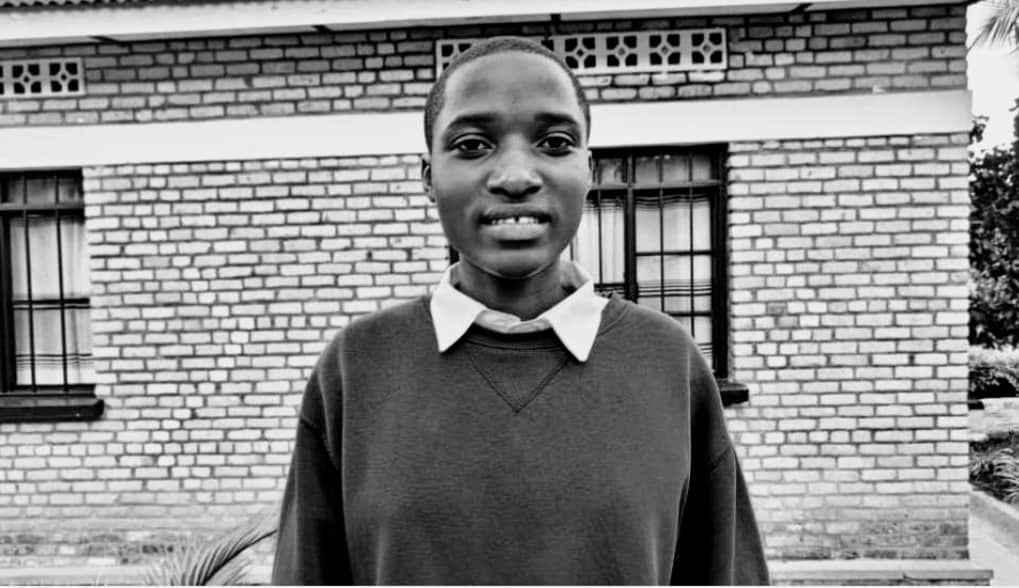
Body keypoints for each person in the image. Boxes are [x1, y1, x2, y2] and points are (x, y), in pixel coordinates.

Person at [271, 35, 769, 585]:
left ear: (588, 169)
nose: (515, 176)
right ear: (428, 176)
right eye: (472, 145)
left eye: (554, 143)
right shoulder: (358, 368)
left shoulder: (666, 363)